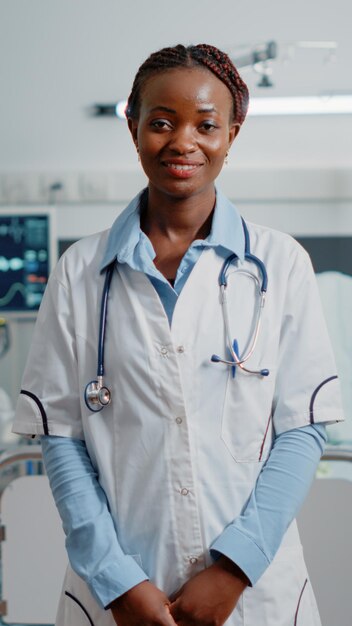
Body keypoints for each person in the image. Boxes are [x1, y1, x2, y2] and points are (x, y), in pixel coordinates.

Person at [13, 44, 343, 626]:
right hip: (117, 595)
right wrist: (117, 582)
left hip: (253, 596)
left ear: (232, 134)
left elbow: (302, 431)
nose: (182, 142)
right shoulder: (79, 272)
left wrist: (233, 570)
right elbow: (62, 439)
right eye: (161, 122)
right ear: (133, 126)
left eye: (206, 125)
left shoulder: (281, 264)